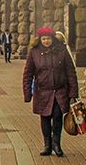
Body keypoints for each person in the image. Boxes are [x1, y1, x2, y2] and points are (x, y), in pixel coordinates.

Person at [24, 26, 79, 157]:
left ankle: (56, 144)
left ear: (53, 39)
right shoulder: (34, 52)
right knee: (45, 118)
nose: (46, 41)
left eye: (48, 38)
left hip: (60, 92)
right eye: (44, 39)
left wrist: (73, 94)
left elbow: (71, 73)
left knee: (57, 117)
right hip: (42, 92)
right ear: (40, 39)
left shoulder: (62, 50)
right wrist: (27, 92)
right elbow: (28, 74)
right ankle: (47, 145)